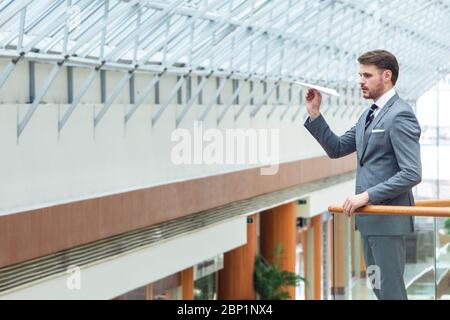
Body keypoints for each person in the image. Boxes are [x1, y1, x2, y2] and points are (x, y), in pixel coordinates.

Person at [304, 50, 422, 300]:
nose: (360, 81)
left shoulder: (400, 114)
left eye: (367, 75)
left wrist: (366, 196)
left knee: (390, 293)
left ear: (387, 76)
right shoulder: (368, 115)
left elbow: (412, 172)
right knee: (379, 291)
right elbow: (336, 148)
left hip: (388, 222)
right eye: (360, 75)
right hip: (369, 222)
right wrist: (315, 114)